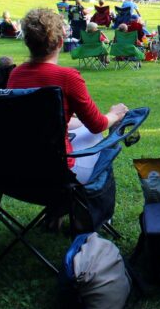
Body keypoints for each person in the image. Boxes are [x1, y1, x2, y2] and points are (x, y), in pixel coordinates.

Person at [8, 10, 128, 184]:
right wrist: (114, 114)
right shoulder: (67, 77)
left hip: (23, 168)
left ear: (27, 43)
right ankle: (94, 204)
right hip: (60, 171)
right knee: (100, 136)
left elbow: (36, 119)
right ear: (60, 42)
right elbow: (97, 125)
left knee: (80, 126)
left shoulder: (16, 75)